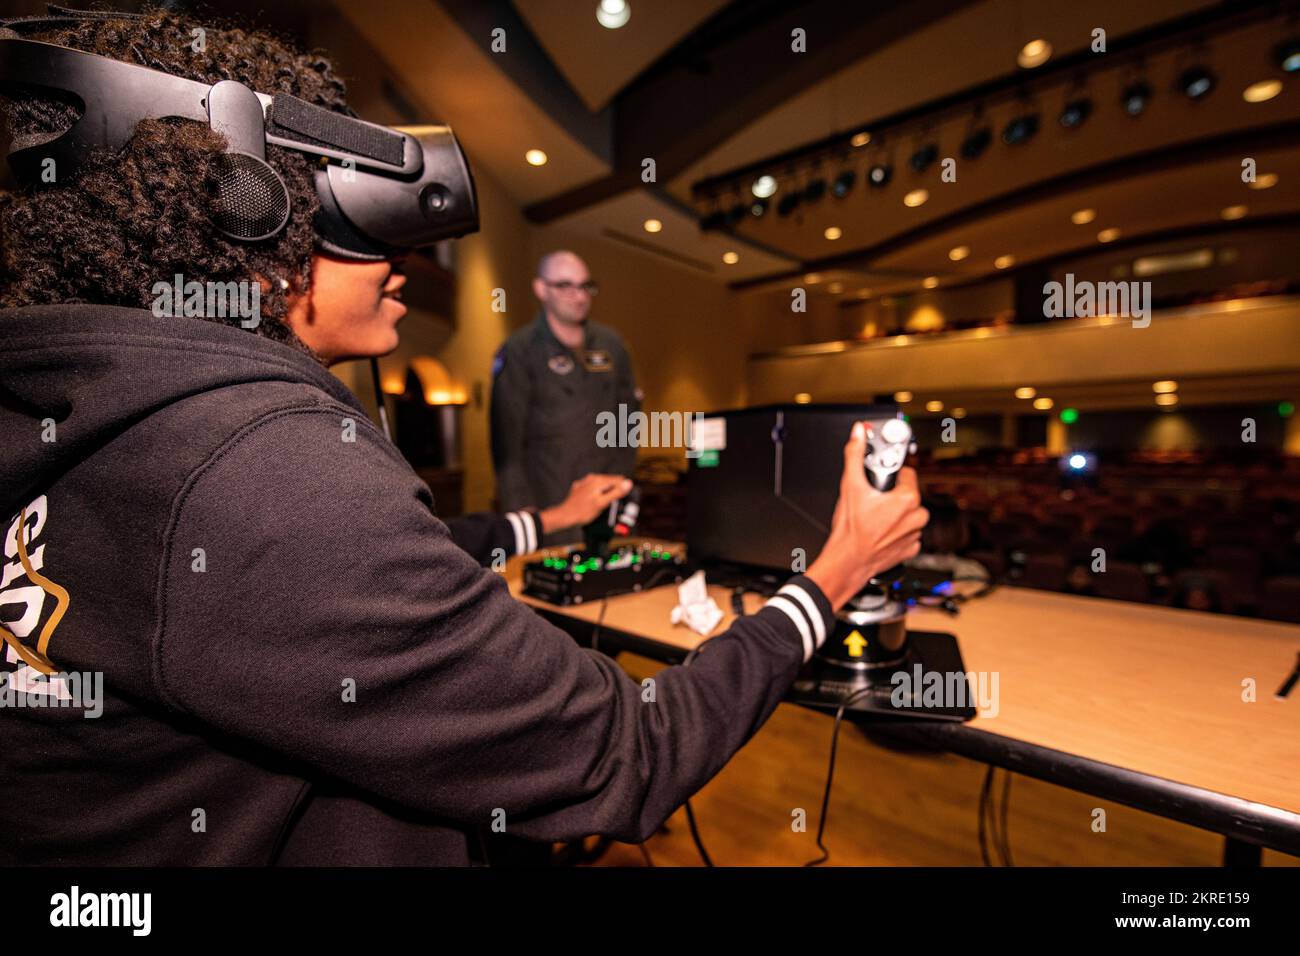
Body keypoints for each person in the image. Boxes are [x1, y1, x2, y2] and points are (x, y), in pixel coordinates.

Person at [0, 7, 928, 865]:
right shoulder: (263, 465)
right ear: (245, 210)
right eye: (339, 201)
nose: (403, 259)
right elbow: (627, 751)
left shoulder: (97, 417)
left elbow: (334, 584)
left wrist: (540, 522)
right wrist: (835, 573)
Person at [490, 250, 640, 543]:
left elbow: (627, 424)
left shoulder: (612, 346)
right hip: (551, 511)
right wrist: (525, 518)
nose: (579, 296)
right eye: (565, 286)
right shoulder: (520, 351)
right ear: (541, 289)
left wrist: (620, 487)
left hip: (608, 508)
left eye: (585, 286)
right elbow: (507, 446)